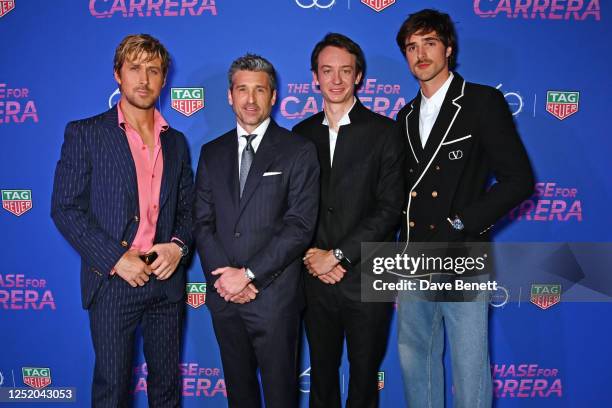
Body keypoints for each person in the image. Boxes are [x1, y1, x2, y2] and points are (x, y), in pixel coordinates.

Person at [395, 9, 534, 408]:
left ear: (449, 49)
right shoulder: (403, 117)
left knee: (470, 368)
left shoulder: (481, 101)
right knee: (415, 364)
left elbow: (519, 180)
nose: (420, 54)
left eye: (430, 43)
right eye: (412, 46)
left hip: (462, 257)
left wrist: (462, 222)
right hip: (412, 260)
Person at [51, 34, 193, 407]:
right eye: (134, 69)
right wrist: (117, 258)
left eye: (153, 70)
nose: (144, 79)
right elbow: (65, 207)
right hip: (114, 282)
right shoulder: (86, 133)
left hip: (165, 281)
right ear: (118, 74)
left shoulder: (176, 141)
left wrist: (177, 248)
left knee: (166, 391)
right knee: (112, 389)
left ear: (164, 79)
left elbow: (188, 209)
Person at [193, 53, 319, 408]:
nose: (250, 100)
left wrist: (248, 276)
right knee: (239, 395)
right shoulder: (211, 152)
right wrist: (226, 280)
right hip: (224, 296)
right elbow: (201, 222)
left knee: (281, 396)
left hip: (274, 297)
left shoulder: (298, 151)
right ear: (229, 96)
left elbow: (300, 226)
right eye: (242, 90)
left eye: (259, 90)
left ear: (274, 96)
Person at [293, 33, 405, 408]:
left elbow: (390, 209)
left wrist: (337, 256)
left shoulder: (385, 132)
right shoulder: (300, 135)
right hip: (314, 278)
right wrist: (313, 255)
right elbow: (292, 209)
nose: (336, 80)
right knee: (321, 377)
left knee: (363, 378)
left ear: (359, 77)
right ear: (315, 77)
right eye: (327, 71)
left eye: (345, 71)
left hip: (366, 277)